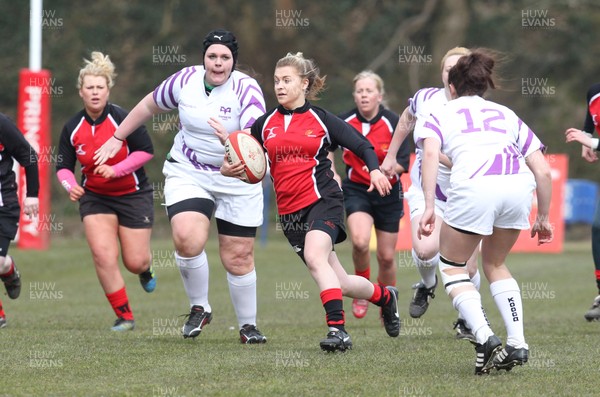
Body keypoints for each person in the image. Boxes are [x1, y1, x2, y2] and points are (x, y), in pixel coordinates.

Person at [93, 30, 267, 344]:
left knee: (238, 256)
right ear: (204, 59)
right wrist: (118, 136)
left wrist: (233, 158)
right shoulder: (184, 80)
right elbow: (149, 106)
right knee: (187, 238)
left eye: (225, 57)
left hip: (237, 175)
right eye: (212, 56)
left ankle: (248, 327)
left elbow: (253, 143)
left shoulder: (246, 88)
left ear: (233, 61)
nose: (218, 63)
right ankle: (199, 307)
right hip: (190, 171)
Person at [220, 52, 400, 352]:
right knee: (339, 282)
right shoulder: (264, 124)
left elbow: (361, 144)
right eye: (276, 81)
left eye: (287, 80)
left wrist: (375, 169)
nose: (279, 86)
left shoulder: (322, 119)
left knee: (317, 257)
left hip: (323, 200)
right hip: (290, 214)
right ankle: (385, 297)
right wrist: (229, 167)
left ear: (304, 84)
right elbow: (245, 162)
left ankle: (337, 330)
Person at [415, 50, 553, 374]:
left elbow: (430, 155)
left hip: (475, 187)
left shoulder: (438, 113)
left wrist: (430, 206)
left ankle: (485, 336)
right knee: (495, 263)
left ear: (451, 87)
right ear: (484, 86)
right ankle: (518, 342)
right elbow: (543, 172)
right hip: (517, 188)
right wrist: (543, 217)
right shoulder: (507, 114)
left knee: (452, 266)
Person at [381, 47, 480, 341]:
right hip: (429, 191)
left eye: (458, 67)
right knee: (425, 251)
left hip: (465, 194)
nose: (451, 72)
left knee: (468, 265)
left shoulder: (476, 108)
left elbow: (465, 156)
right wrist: (390, 155)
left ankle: (465, 320)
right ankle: (427, 284)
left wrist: (440, 155)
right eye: (447, 68)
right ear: (442, 73)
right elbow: (407, 119)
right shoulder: (426, 98)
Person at [56, 51, 156, 332]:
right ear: (81, 92)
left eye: (100, 87)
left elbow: (146, 151)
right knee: (102, 254)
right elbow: (63, 167)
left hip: (133, 194)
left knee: (135, 261)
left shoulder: (124, 118)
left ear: (108, 89)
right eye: (90, 88)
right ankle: (124, 315)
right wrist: (70, 185)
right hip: (96, 198)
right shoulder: (72, 127)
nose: (95, 92)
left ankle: (145, 269)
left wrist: (117, 169)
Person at [329, 70, 410, 319]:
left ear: (379, 95)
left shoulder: (394, 121)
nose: (364, 95)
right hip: (357, 190)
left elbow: (404, 161)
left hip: (388, 192)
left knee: (386, 257)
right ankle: (363, 291)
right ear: (354, 96)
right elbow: (327, 148)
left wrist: (387, 169)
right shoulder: (343, 121)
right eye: (359, 91)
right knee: (361, 241)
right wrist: (333, 173)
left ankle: (388, 303)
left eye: (369, 91)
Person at [564, 83, 600, 321]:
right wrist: (586, 138)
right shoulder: (594, 92)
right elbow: (590, 125)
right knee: (598, 227)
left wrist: (593, 143)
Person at [0, 113, 39, 328]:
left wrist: (32, 194)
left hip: (3, 206)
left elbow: (29, 156)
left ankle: (8, 268)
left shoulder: (2, 124)